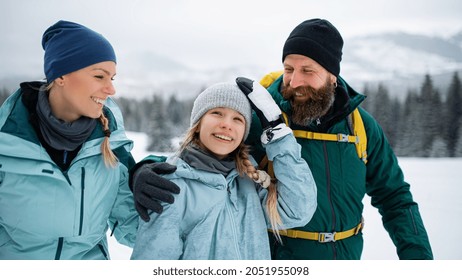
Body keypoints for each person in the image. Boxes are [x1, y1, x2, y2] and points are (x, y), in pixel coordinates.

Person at [131, 18, 433, 260]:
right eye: (289, 69)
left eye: (308, 71)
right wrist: (143, 169)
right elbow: (210, 149)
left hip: (344, 258)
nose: (295, 81)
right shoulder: (262, 115)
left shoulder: (361, 127)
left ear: (332, 76)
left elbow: (395, 198)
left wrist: (419, 261)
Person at [130, 79, 317, 259]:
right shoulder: (172, 186)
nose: (226, 124)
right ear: (197, 124)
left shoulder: (249, 182)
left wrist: (278, 132)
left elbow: (298, 210)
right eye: (217, 113)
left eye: (238, 119)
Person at [0, 20, 138, 259]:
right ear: (61, 75)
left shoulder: (112, 147)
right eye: (99, 76)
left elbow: (138, 227)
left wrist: (154, 174)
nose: (111, 90)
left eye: (112, 79)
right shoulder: (6, 145)